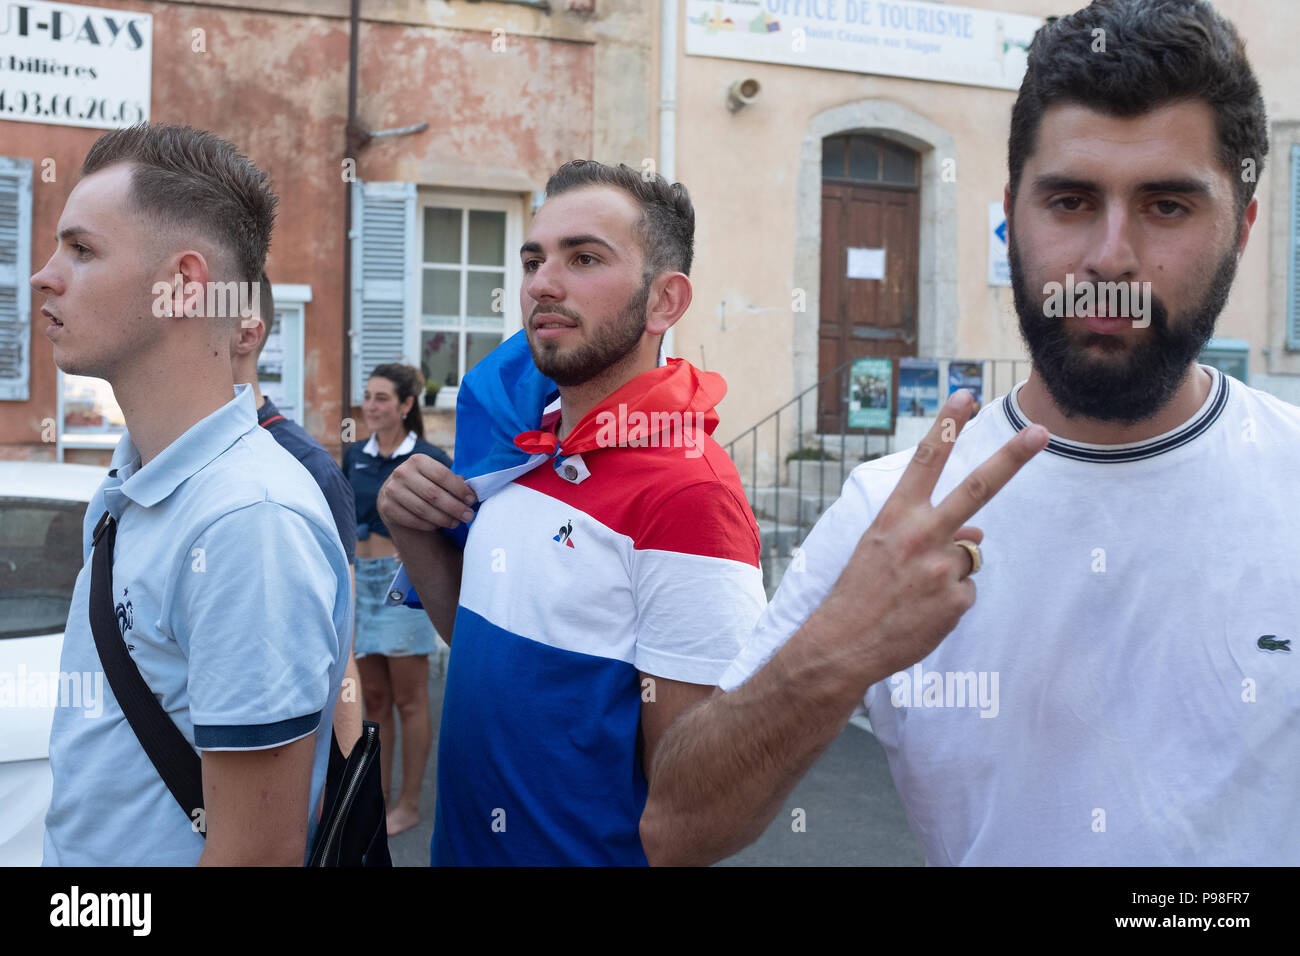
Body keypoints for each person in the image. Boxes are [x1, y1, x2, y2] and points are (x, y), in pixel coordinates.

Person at [639, 0, 1300, 866]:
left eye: (1167, 206)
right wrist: (837, 653)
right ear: (1011, 216)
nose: (1110, 258)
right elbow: (678, 828)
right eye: (1069, 200)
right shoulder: (890, 514)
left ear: (1244, 228)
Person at [377, 160, 771, 865]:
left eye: (583, 258)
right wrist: (414, 533)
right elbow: (476, 634)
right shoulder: (520, 446)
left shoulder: (691, 495)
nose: (540, 285)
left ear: (664, 302)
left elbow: (695, 813)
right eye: (533, 260)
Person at [34, 123, 352, 866]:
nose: (44, 275)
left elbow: (254, 856)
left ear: (183, 282)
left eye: (80, 250)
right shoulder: (136, 483)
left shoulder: (247, 521)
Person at [230, 275, 364, 755]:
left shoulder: (310, 468)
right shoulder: (149, 457)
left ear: (248, 333)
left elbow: (340, 655)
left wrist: (344, 816)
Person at [343, 363, 450, 836]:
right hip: (360, 584)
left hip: (402, 584)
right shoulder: (353, 454)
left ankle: (409, 804)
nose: (370, 405)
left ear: (406, 406)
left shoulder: (428, 457)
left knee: (409, 701)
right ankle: (379, 800)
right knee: (376, 701)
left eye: (382, 397)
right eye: (368, 396)